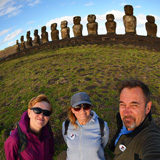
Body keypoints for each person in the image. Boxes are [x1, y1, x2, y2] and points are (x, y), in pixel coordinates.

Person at [109, 79, 160, 160]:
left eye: (134, 105)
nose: (126, 113)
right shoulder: (122, 120)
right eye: (123, 104)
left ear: (148, 107)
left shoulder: (150, 137)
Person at [4, 94, 54, 160]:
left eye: (46, 113)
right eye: (37, 110)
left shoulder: (47, 131)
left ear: (49, 117)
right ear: (29, 113)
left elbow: (51, 151)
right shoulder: (14, 140)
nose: (41, 115)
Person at [62, 92, 109, 160]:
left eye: (86, 107)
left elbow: (103, 143)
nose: (82, 111)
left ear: (90, 107)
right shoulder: (66, 125)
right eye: (77, 108)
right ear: (72, 110)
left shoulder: (102, 125)